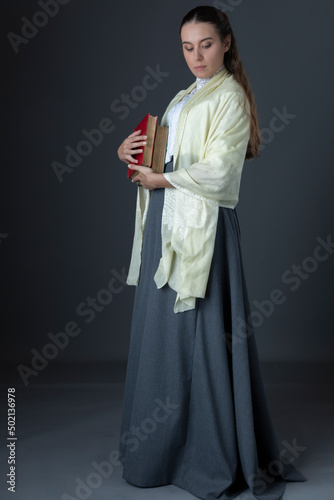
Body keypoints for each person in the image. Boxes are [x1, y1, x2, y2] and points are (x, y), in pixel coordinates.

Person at [117, 6, 305, 500]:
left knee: (201, 338)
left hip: (201, 228)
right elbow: (169, 154)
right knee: (164, 337)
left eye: (205, 44)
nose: (196, 55)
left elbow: (221, 172)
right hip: (165, 218)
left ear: (225, 44)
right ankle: (160, 451)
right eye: (186, 46)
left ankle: (206, 454)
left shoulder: (231, 97)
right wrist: (132, 155)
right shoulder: (185, 96)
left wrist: (163, 178)